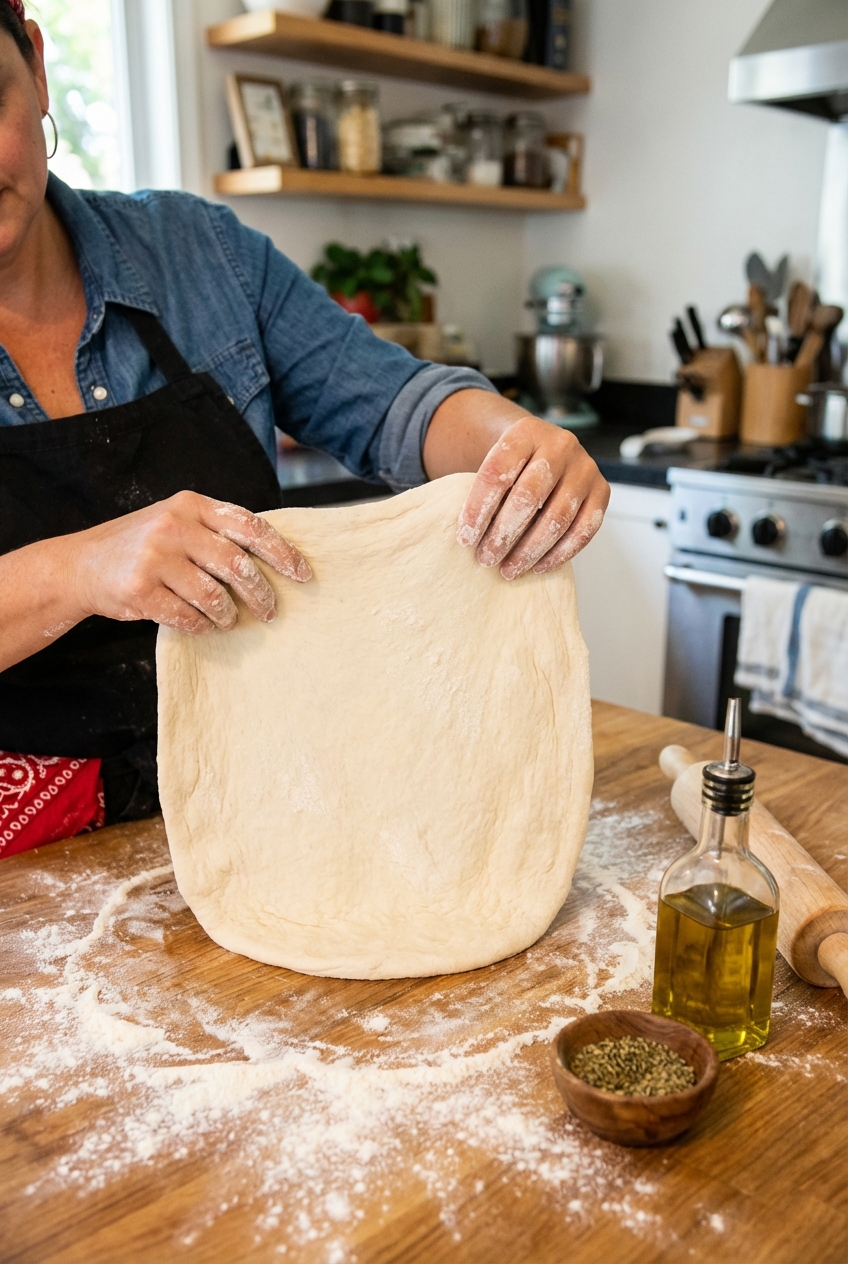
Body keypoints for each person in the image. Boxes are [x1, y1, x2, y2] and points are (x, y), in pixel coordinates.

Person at [0, 0, 609, 854]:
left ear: (33, 61)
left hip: (268, 794)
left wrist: (519, 447)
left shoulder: (197, 254)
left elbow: (400, 405)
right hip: (25, 855)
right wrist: (82, 568)